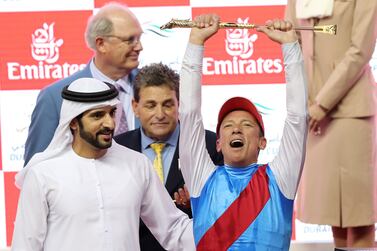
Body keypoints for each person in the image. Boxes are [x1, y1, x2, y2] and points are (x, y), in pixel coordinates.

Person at [11, 78, 195, 251]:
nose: (109, 123)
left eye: (112, 113)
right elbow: (26, 245)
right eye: (98, 115)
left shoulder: (137, 164)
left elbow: (173, 229)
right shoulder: (43, 174)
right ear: (74, 122)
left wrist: (220, 227)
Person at [179, 14, 308, 250]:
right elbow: (188, 114)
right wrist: (196, 41)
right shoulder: (202, 179)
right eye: (227, 126)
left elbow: (298, 118)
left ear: (262, 142)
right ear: (218, 143)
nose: (236, 128)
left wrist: (290, 45)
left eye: (247, 125)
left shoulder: (280, 179)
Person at [285, 0, 377, 247]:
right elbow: (292, 41)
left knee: (358, 215)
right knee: (333, 213)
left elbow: (360, 50)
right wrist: (305, 103)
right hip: (312, 110)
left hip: (350, 111)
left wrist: (322, 103)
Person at [114, 62, 223, 251]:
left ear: (179, 104)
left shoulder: (210, 145)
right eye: (150, 105)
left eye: (167, 104)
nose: (160, 114)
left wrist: (199, 202)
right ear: (135, 106)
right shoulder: (116, 149)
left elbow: (226, 209)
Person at [24, 2, 142, 165]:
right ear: (101, 44)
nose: (139, 47)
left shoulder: (156, 89)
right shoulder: (55, 97)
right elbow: (35, 169)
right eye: (130, 40)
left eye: (139, 38)